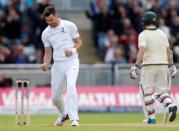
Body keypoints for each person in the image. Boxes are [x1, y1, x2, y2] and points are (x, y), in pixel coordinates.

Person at [130, 11, 177, 124]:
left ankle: (151, 119)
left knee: (147, 94)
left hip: (149, 66)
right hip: (163, 65)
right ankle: (170, 105)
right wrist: (171, 65)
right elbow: (169, 52)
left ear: (144, 22)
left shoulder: (143, 34)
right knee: (162, 92)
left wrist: (136, 65)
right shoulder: (162, 33)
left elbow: (141, 51)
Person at [40, 6, 83, 127]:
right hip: (58, 65)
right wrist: (46, 63)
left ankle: (75, 118)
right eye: (47, 20)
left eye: (51, 19)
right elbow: (48, 52)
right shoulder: (45, 33)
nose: (49, 22)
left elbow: (79, 42)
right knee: (55, 98)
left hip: (72, 62)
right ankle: (64, 114)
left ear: (56, 15)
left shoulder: (69, 25)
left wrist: (73, 51)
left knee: (71, 86)